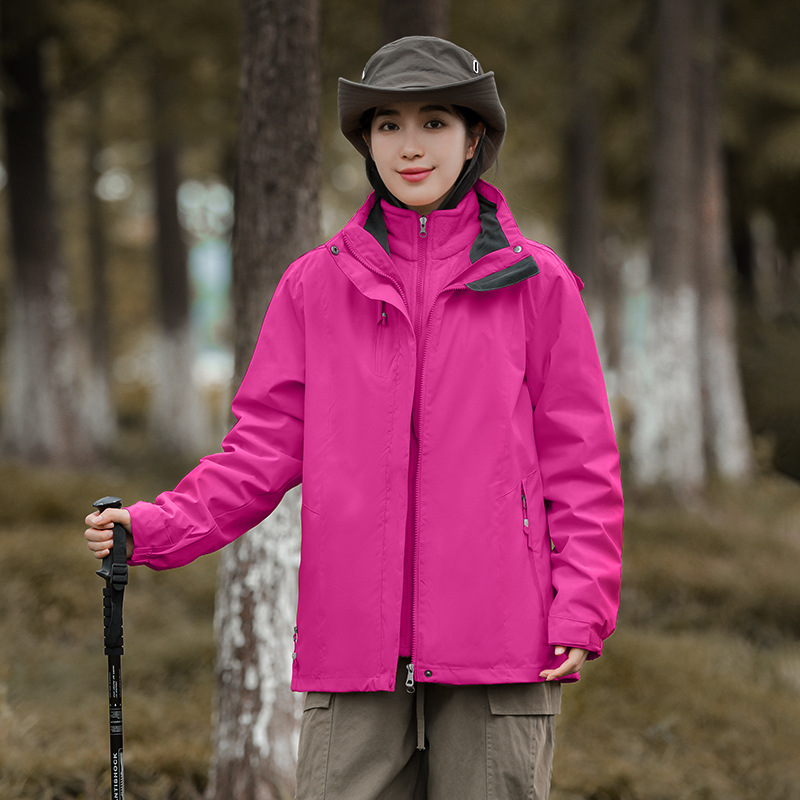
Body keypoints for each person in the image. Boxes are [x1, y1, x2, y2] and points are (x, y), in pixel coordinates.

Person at [85, 35, 623, 800]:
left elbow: (583, 466)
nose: (411, 147)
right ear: (366, 142)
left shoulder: (539, 285)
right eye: (389, 125)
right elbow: (259, 452)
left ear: (474, 139)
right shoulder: (313, 286)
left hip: (504, 639)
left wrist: (582, 609)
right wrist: (155, 526)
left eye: (435, 123)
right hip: (353, 648)